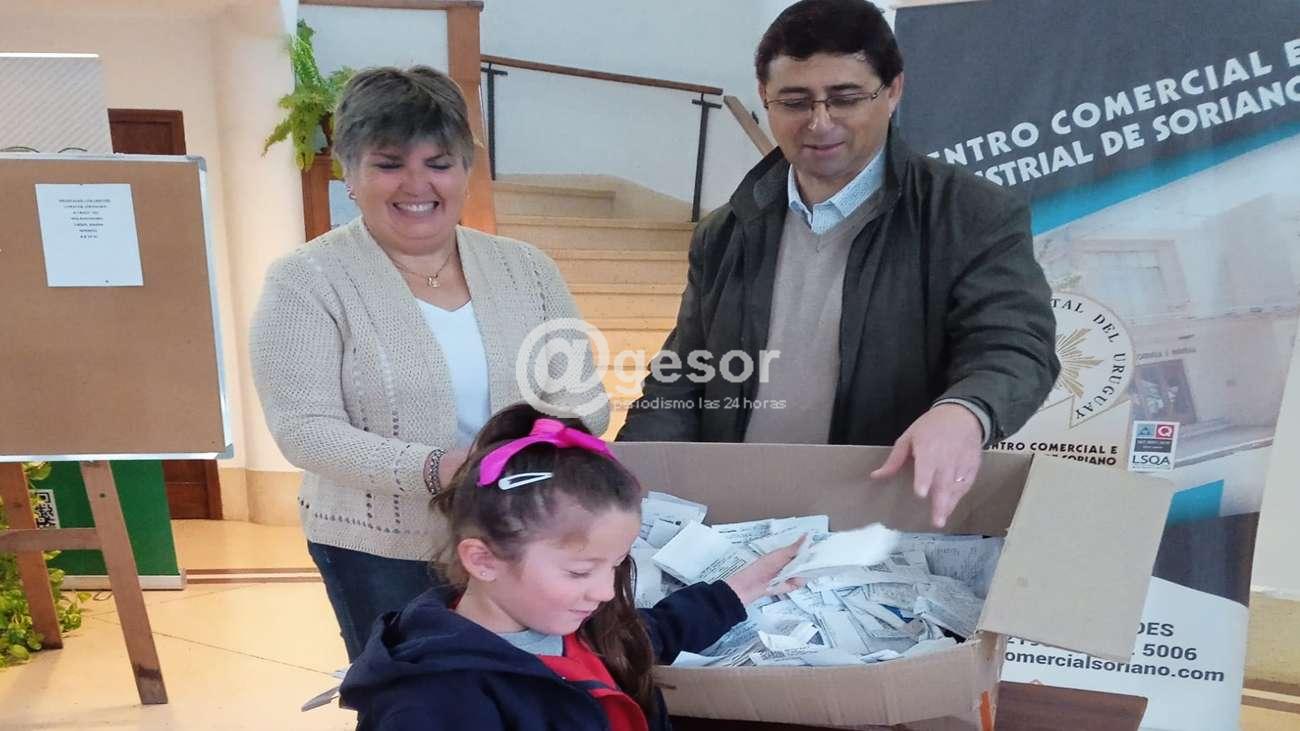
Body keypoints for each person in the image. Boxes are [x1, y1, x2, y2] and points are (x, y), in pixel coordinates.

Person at [617, 0, 1059, 528]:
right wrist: (624, 480)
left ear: (893, 90)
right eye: (795, 101)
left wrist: (966, 411)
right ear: (764, 97)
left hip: (879, 517)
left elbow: (1014, 345)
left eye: (845, 98)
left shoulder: (969, 214)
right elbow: (683, 376)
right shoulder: (725, 231)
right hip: (733, 517)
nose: (819, 122)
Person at [249, 66, 608, 661]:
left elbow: (583, 397)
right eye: (389, 164)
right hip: (382, 549)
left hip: (524, 536)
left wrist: (535, 456)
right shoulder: (305, 282)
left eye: (439, 163)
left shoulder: (528, 269)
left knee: (526, 690)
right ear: (349, 173)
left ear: (465, 170)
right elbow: (304, 429)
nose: (417, 184)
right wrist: (439, 469)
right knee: (413, 694)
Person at [338, 404, 803, 730]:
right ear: (482, 559)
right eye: (580, 572)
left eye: (616, 565)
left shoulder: (569, 623)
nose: (605, 592)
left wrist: (736, 592)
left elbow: (645, 635)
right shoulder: (434, 704)